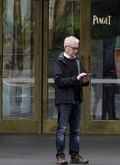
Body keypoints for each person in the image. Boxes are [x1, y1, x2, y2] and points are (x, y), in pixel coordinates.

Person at [53, 36, 90, 164]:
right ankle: (60, 156)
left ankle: (75, 156)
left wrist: (85, 80)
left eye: (77, 49)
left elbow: (81, 79)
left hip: (77, 99)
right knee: (62, 129)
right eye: (74, 48)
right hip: (64, 101)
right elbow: (58, 81)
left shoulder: (78, 62)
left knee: (76, 130)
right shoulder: (59, 61)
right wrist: (76, 79)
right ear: (66, 48)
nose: (76, 51)